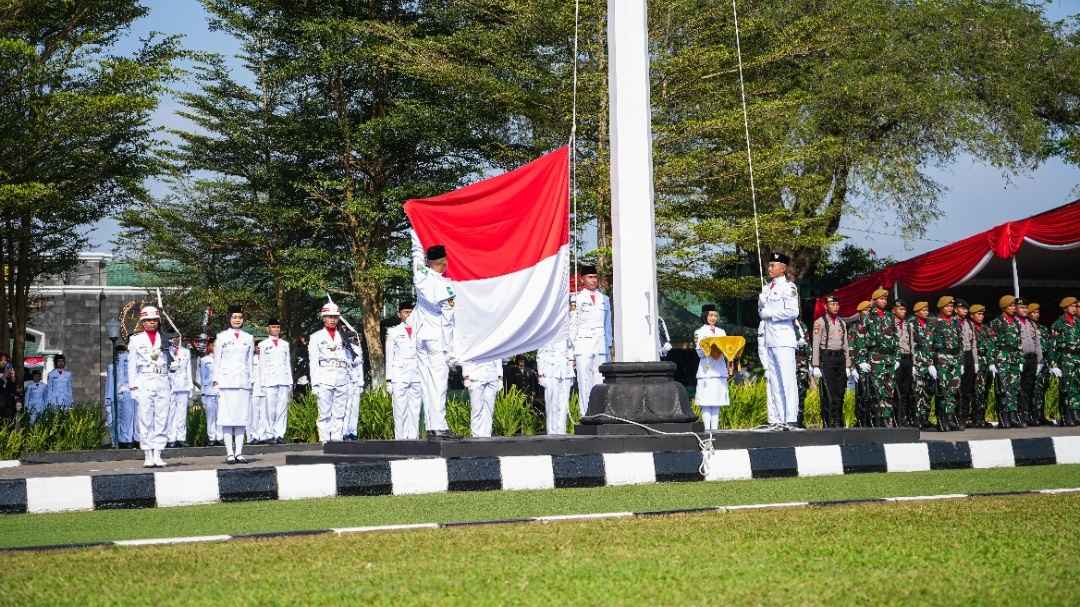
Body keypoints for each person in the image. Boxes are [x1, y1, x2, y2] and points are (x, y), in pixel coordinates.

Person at [410, 230, 455, 438]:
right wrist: (450, 347)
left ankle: (431, 426)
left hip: (420, 337)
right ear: (442, 263)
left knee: (427, 383)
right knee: (439, 383)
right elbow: (448, 318)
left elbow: (416, 253)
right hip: (437, 338)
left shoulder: (420, 273)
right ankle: (440, 425)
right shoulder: (445, 285)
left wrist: (415, 230)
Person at [758, 253, 801, 430]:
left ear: (782, 268)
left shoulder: (789, 287)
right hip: (770, 339)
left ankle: (790, 418)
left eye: (773, 265)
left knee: (787, 380)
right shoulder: (767, 288)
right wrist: (762, 306)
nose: (769, 268)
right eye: (769, 265)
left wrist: (771, 314)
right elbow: (761, 313)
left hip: (783, 339)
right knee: (774, 381)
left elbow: (793, 312)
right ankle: (776, 419)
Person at [128, 306, 171, 468]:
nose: (151, 323)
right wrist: (133, 387)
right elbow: (131, 365)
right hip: (144, 379)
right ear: (142, 322)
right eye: (147, 321)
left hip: (162, 379)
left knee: (162, 418)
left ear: (158, 321)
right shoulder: (136, 339)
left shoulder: (165, 338)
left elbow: (171, 360)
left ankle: (158, 453)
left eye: (154, 320)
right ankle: (147, 453)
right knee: (145, 418)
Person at [213, 304, 255, 464]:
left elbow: (249, 362)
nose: (237, 320)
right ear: (229, 319)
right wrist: (216, 381)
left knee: (241, 419)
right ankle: (229, 453)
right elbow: (217, 361)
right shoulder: (222, 336)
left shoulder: (248, 337)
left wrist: (251, 381)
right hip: (226, 383)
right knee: (227, 419)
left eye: (240, 317)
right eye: (234, 317)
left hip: (242, 383)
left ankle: (239, 452)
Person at [572, 264, 613, 417]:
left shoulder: (605, 299)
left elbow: (607, 324)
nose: (593, 280)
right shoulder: (576, 299)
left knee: (601, 379)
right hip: (583, 344)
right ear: (582, 279)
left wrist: (608, 345)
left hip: (600, 344)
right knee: (584, 380)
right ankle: (586, 414)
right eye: (590, 277)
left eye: (595, 277)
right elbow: (572, 325)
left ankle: (601, 413)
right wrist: (572, 352)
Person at [858, 288, 900, 427]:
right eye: (881, 299)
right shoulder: (868, 316)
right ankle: (878, 419)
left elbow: (896, 337)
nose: (884, 301)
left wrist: (897, 357)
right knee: (877, 390)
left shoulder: (890, 316)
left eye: (885, 299)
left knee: (889, 389)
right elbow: (861, 339)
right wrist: (862, 360)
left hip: (889, 357)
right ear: (874, 301)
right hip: (875, 356)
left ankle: (887, 418)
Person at [309, 302, 350, 442]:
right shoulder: (316, 337)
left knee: (340, 412)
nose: (332, 319)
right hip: (324, 376)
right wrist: (315, 384)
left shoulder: (344, 336)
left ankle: (337, 439)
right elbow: (313, 362)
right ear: (323, 318)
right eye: (329, 316)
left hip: (341, 376)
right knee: (324, 413)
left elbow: (349, 358)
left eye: (335, 317)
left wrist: (349, 378)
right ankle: (325, 440)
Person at [812, 296, 851, 428]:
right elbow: (816, 344)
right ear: (826, 306)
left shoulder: (842, 323)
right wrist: (815, 365)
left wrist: (848, 365)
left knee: (840, 391)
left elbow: (845, 345)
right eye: (832, 304)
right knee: (828, 392)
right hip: (827, 358)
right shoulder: (820, 322)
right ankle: (828, 421)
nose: (835, 307)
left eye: (836, 304)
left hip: (840, 358)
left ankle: (838, 419)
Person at [386, 301, 422, 440]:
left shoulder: (420, 330)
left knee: (415, 408)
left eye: (411, 312)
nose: (409, 315)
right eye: (406, 312)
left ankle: (414, 438)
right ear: (399, 314)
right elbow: (389, 357)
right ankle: (400, 439)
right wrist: (389, 380)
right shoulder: (393, 331)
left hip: (416, 374)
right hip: (399, 375)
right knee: (400, 409)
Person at [538, 304, 575, 435]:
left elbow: (571, 351)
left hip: (564, 372)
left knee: (563, 405)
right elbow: (540, 354)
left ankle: (562, 431)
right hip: (550, 372)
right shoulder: (546, 331)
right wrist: (541, 375)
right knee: (551, 404)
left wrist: (571, 370)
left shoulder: (567, 332)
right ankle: (552, 432)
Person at [990, 295, 1025, 428]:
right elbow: (992, 343)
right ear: (1004, 307)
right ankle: (1003, 416)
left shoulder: (1016, 322)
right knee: (1003, 389)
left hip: (1014, 357)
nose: (1013, 308)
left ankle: (1013, 416)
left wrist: (1021, 359)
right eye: (1010, 306)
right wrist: (992, 362)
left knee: (1014, 388)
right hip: (1002, 357)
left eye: (1013, 306)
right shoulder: (996, 322)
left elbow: (1019, 342)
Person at [694, 304, 731, 431]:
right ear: (705, 316)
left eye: (715, 315)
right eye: (710, 315)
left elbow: (727, 351)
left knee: (717, 402)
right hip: (707, 370)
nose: (713, 318)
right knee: (706, 402)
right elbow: (699, 353)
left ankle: (715, 431)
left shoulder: (722, 332)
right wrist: (711, 347)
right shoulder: (699, 332)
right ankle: (706, 430)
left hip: (719, 370)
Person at [931, 296, 964, 431]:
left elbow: (961, 343)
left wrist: (960, 362)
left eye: (951, 306)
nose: (950, 308)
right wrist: (930, 364)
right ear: (941, 308)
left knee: (953, 390)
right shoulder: (935, 323)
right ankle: (942, 419)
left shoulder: (956, 322)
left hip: (954, 358)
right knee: (943, 390)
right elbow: (929, 344)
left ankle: (950, 418)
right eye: (947, 306)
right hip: (941, 358)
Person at [258, 319, 293, 444]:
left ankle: (280, 434)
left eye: (278, 327)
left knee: (282, 409)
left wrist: (290, 382)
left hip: (283, 379)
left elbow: (287, 363)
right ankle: (270, 433)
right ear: (268, 329)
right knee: (270, 409)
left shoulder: (285, 344)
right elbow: (261, 365)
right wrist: (262, 383)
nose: (276, 329)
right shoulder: (263, 344)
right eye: (273, 327)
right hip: (269, 381)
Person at [1050, 297, 1080, 426]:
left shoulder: (1078, 322)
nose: (1074, 308)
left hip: (1077, 358)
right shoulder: (1058, 324)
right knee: (1067, 388)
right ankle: (1067, 415)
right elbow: (1053, 346)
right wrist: (1053, 365)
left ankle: (1076, 413)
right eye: (1072, 306)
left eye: (1075, 306)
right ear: (1065, 308)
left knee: (1077, 387)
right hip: (1066, 358)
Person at [908, 301, 936, 429]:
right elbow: (911, 345)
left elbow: (932, 346)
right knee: (918, 392)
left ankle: (925, 418)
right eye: (923, 310)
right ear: (917, 311)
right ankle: (917, 419)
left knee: (928, 391)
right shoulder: (911, 325)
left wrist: (932, 363)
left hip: (929, 364)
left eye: (927, 310)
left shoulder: (930, 325)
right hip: (918, 363)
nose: (926, 312)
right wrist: (913, 364)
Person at [1026, 303, 1052, 426]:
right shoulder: (1026, 327)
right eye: (1034, 312)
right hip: (1032, 363)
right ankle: (1031, 416)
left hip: (1043, 363)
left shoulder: (1043, 329)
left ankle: (1041, 415)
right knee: (1032, 390)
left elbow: (1049, 346)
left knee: (1042, 391)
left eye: (1038, 312)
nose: (1037, 314)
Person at [463, 359, 503, 438]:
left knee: (489, 409)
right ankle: (476, 435)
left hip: (492, 376)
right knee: (476, 409)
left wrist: (500, 377)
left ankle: (487, 435)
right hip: (476, 376)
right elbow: (467, 354)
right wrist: (466, 375)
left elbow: (498, 356)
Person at [166, 337, 193, 448]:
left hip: (183, 385)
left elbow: (188, 369)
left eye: (177, 337)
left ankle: (181, 438)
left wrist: (190, 387)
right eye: (172, 337)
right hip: (170, 386)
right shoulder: (165, 351)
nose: (175, 339)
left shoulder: (186, 352)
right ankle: (171, 438)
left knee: (182, 414)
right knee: (170, 414)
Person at [954, 299, 978, 426]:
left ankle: (964, 416)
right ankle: (956, 416)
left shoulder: (969, 323)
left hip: (968, 356)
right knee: (957, 388)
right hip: (958, 356)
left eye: (966, 309)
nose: (965, 311)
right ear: (956, 309)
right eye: (962, 308)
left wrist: (975, 361)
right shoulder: (952, 322)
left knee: (967, 388)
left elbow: (974, 344)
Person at [969, 304, 993, 428]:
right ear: (972, 315)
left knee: (985, 391)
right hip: (975, 361)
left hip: (986, 362)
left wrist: (992, 362)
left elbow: (991, 345)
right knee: (976, 391)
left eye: (982, 314)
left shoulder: (986, 328)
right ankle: (974, 418)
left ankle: (981, 417)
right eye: (978, 314)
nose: (981, 316)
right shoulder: (969, 327)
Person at [892, 301, 915, 427]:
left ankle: (903, 417)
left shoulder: (908, 325)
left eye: (904, 309)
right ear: (894, 310)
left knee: (906, 390)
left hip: (907, 359)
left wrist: (914, 363)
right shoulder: (890, 325)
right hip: (897, 359)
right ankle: (895, 418)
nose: (903, 312)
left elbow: (912, 345)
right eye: (900, 309)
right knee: (896, 390)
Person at [851, 300, 872, 427]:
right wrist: (854, 366)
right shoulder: (855, 327)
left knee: (872, 393)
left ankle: (870, 419)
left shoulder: (873, 326)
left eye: (869, 310)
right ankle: (860, 420)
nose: (868, 313)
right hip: (860, 364)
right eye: (866, 310)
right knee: (862, 393)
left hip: (873, 363)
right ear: (860, 312)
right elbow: (852, 348)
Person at [199, 341, 222, 446]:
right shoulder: (204, 360)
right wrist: (203, 393)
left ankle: (220, 437)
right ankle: (212, 437)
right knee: (211, 417)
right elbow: (201, 377)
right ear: (209, 346)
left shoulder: (223, 359)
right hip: (209, 391)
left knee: (221, 416)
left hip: (221, 391)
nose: (215, 347)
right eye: (213, 345)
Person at [343, 330, 365, 441]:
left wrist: (361, 383)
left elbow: (360, 368)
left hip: (356, 382)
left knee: (355, 408)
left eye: (354, 338)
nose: (353, 340)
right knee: (346, 408)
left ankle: (353, 431)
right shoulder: (342, 350)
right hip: (346, 382)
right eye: (351, 338)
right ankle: (345, 432)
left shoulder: (357, 350)